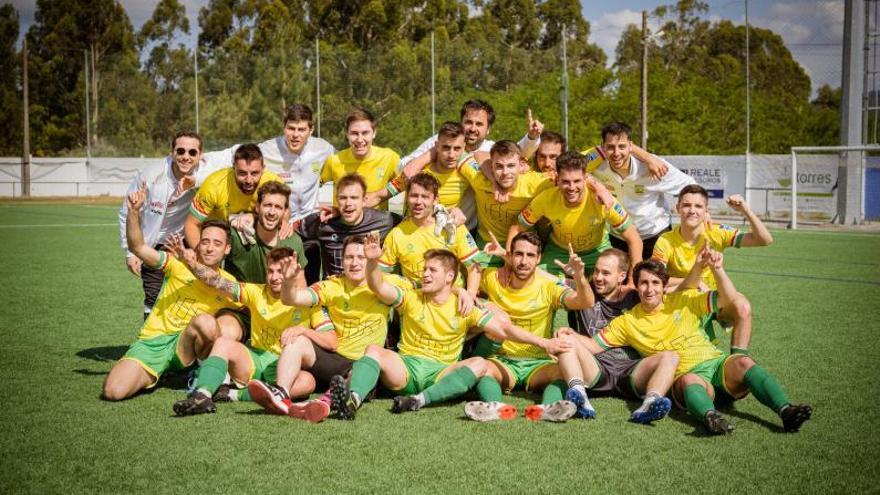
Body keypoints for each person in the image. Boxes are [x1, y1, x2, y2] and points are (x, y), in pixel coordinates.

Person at [330, 238, 571, 419]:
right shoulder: (411, 298)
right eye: (424, 269)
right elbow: (379, 286)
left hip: (441, 374)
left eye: (431, 270)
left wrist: (545, 343)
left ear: (449, 277)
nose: (424, 274)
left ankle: (418, 401)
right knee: (373, 350)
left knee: (478, 363)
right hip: (407, 369)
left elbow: (505, 329)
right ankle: (352, 401)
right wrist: (372, 262)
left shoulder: (464, 306)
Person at [589, 256, 811, 434]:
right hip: (689, 380)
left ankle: (786, 410)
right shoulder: (627, 322)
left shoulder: (684, 299)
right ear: (636, 287)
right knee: (688, 379)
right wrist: (565, 339)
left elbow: (728, 299)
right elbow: (594, 345)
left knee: (743, 362)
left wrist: (718, 270)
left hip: (717, 367)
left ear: (664, 285)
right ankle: (710, 418)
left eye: (655, 283)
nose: (649, 289)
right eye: (643, 283)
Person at [248, 236, 405, 421]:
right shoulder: (331, 286)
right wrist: (289, 281)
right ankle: (281, 394)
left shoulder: (387, 283)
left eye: (360, 257)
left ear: (370, 258)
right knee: (297, 340)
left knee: (364, 365)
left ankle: (328, 401)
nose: (354, 263)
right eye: (349, 257)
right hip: (333, 359)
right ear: (342, 260)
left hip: (364, 363)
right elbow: (292, 299)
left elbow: (414, 292)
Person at [102, 189, 238, 401]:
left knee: (207, 323)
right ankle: (162, 373)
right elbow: (138, 247)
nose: (210, 248)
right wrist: (134, 213)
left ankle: (199, 373)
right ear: (198, 243)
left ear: (227, 249)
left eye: (217, 243)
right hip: (153, 342)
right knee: (113, 391)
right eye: (205, 241)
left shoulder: (228, 283)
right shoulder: (176, 265)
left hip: (185, 346)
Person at [169, 246, 333, 418]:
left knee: (308, 382)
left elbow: (331, 340)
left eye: (280, 271)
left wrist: (303, 331)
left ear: (292, 272)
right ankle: (202, 395)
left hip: (286, 368)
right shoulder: (256, 292)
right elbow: (217, 281)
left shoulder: (307, 300)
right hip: (254, 361)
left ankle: (232, 394)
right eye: (270, 271)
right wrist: (192, 264)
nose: (275, 277)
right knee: (223, 342)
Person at [463, 232, 594, 422]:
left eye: (530, 255)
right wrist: (477, 299)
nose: (524, 261)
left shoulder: (548, 285)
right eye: (519, 254)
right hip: (503, 361)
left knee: (563, 373)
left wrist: (580, 277)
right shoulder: (493, 278)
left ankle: (547, 409)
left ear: (539, 258)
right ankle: (497, 407)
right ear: (510, 255)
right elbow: (469, 272)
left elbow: (585, 302)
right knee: (484, 370)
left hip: (539, 363)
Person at [558, 248, 678, 422]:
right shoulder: (582, 289)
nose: (598, 277)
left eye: (606, 273)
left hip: (632, 372)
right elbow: (543, 279)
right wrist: (507, 259)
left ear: (621, 276)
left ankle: (649, 405)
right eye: (597, 271)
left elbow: (666, 286)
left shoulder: (638, 296)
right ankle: (580, 399)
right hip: (595, 369)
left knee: (670, 357)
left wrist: (698, 281)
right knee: (564, 339)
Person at [653, 184, 771, 349]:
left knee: (743, 308)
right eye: (686, 205)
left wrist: (745, 210)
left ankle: (738, 362)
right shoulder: (665, 240)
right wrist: (693, 282)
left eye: (698, 206)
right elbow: (655, 279)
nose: (692, 210)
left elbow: (764, 240)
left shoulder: (715, 232)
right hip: (684, 298)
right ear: (678, 208)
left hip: (717, 299)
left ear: (706, 210)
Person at [508, 151, 643, 279]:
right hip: (559, 251)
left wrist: (632, 282)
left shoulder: (604, 200)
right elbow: (517, 228)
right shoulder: (546, 199)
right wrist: (508, 263)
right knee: (537, 278)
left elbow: (634, 239)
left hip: (596, 250)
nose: (572, 187)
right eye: (566, 182)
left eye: (577, 181)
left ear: (585, 178)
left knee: (612, 282)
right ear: (557, 178)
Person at [199, 103, 335, 222]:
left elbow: (344, 161)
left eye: (301, 130)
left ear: (311, 130)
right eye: (291, 128)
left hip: (311, 218)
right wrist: (200, 160)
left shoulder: (323, 149)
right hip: (279, 220)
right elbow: (234, 154)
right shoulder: (268, 149)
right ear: (284, 126)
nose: (295, 135)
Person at [118, 131, 204, 319]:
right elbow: (127, 211)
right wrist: (129, 251)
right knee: (154, 297)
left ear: (200, 155)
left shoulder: (203, 176)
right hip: (151, 244)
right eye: (180, 151)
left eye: (192, 153)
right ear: (172, 152)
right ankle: (148, 344)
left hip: (183, 242)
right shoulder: (150, 175)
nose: (185, 157)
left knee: (188, 296)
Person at [583, 122, 695, 259]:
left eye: (622, 147)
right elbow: (569, 168)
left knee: (653, 280)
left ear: (631, 146)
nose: (616, 153)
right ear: (603, 147)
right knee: (616, 279)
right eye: (610, 147)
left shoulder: (654, 166)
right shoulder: (597, 166)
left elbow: (691, 186)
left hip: (655, 236)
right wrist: (596, 186)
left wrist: (702, 211)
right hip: (619, 236)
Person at [216, 181, 308, 342]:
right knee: (224, 332)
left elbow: (301, 287)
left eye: (278, 207)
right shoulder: (237, 235)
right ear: (257, 207)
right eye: (268, 205)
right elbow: (211, 248)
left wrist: (299, 325)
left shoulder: (293, 242)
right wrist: (234, 219)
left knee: (297, 343)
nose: (272, 212)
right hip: (241, 309)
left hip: (278, 314)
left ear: (285, 212)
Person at [378, 173, 481, 292]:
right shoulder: (396, 234)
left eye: (425, 197)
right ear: (407, 197)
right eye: (414, 195)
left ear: (435, 199)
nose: (418, 201)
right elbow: (381, 274)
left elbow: (474, 266)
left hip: (453, 297)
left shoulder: (452, 226)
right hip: (416, 301)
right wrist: (409, 285)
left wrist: (470, 296)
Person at [457, 140, 553, 266]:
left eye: (511, 166)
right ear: (491, 166)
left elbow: (567, 178)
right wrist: (494, 182)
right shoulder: (479, 179)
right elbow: (461, 154)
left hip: (522, 250)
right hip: (487, 250)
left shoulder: (534, 183)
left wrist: (588, 180)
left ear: (522, 165)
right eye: (499, 166)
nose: (505, 172)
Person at [369, 121, 475, 229]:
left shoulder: (466, 175)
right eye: (446, 148)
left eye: (457, 149)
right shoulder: (417, 173)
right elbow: (384, 193)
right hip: (412, 235)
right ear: (437, 146)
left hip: (444, 236)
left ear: (464, 148)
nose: (451, 155)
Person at [296, 173, 399, 277]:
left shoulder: (384, 221)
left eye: (354, 198)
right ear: (337, 200)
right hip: (334, 288)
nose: (348, 203)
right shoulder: (323, 221)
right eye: (343, 198)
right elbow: (291, 231)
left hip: (368, 289)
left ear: (364, 201)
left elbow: (411, 226)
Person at [398, 101, 542, 170]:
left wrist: (532, 136)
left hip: (469, 226)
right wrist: (433, 153)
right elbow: (402, 166)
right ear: (461, 123)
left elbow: (518, 152)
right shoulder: (440, 142)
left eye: (479, 124)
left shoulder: (491, 148)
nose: (472, 128)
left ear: (488, 129)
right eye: (468, 122)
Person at [184, 144, 280, 247]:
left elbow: (285, 210)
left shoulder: (272, 182)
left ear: (263, 169)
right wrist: (201, 256)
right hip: (217, 235)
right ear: (233, 168)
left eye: (254, 173)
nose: (248, 180)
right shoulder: (214, 185)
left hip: (254, 232)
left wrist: (255, 217)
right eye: (242, 173)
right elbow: (191, 225)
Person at [320, 108, 399, 211]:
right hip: (342, 224)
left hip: (377, 224)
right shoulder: (334, 160)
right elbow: (312, 183)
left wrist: (383, 195)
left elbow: (406, 181)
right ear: (347, 134)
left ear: (374, 133)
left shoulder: (389, 157)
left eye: (365, 133)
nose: (360, 139)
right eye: (354, 133)